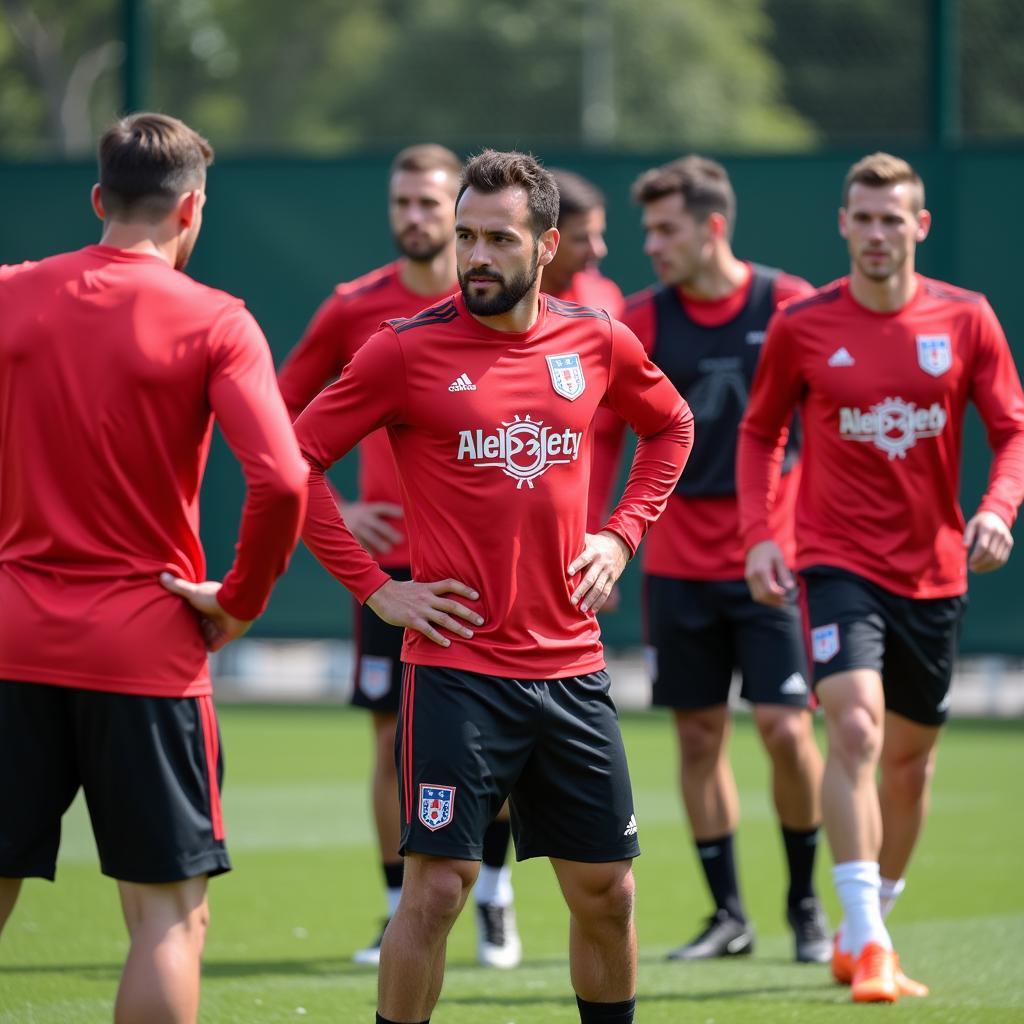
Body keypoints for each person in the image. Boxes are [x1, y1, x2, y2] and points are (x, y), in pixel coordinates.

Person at [292, 149, 693, 1024]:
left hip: (570, 668)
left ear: (548, 245)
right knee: (435, 892)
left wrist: (621, 536)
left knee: (609, 894)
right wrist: (373, 587)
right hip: (456, 668)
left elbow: (672, 428)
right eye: (465, 234)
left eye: (498, 238)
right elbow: (295, 460)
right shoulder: (403, 349)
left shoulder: (597, 338)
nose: (474, 254)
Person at [0, 112, 307, 1024]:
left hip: (10, 638)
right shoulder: (217, 320)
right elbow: (283, 480)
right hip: (146, 650)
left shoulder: (10, 294)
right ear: (192, 212)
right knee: (169, 919)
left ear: (99, 199)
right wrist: (242, 600)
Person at [739, 152, 1024, 1002]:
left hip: (936, 571)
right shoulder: (803, 324)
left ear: (919, 227)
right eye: (861, 218)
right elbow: (761, 434)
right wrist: (762, 534)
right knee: (853, 729)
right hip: (834, 560)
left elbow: (1013, 429)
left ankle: (873, 918)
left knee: (909, 767)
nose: (876, 234)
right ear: (842, 224)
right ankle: (863, 939)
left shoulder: (966, 319)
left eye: (891, 219)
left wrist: (999, 509)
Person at [278, 144, 522, 969]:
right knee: (393, 742)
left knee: (504, 736)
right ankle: (395, 906)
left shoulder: (510, 308)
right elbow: (279, 420)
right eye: (403, 204)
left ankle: (494, 896)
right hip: (394, 576)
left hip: (490, 567)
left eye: (430, 203)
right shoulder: (357, 310)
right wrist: (343, 510)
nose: (416, 218)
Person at [601, 155, 829, 964]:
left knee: (784, 729)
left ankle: (806, 903)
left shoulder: (790, 303)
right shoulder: (641, 319)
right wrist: (601, 537)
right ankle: (728, 914)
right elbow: (602, 433)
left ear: (714, 227)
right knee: (698, 738)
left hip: (772, 559)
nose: (653, 245)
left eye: (667, 229)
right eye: (648, 230)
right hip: (676, 564)